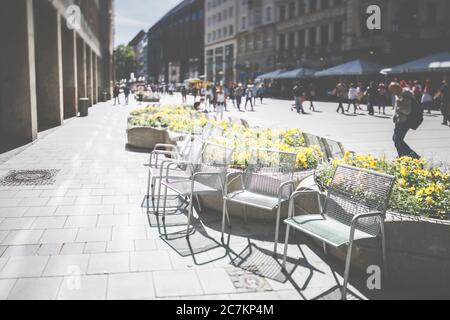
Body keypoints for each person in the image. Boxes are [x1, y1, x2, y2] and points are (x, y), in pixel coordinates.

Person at [389, 82, 422, 159]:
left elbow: (407, 111)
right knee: (396, 139)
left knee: (398, 140)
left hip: (404, 121)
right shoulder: (400, 94)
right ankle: (405, 155)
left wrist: (400, 105)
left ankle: (410, 156)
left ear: (397, 88)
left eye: (392, 91)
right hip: (400, 120)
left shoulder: (406, 96)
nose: (392, 93)